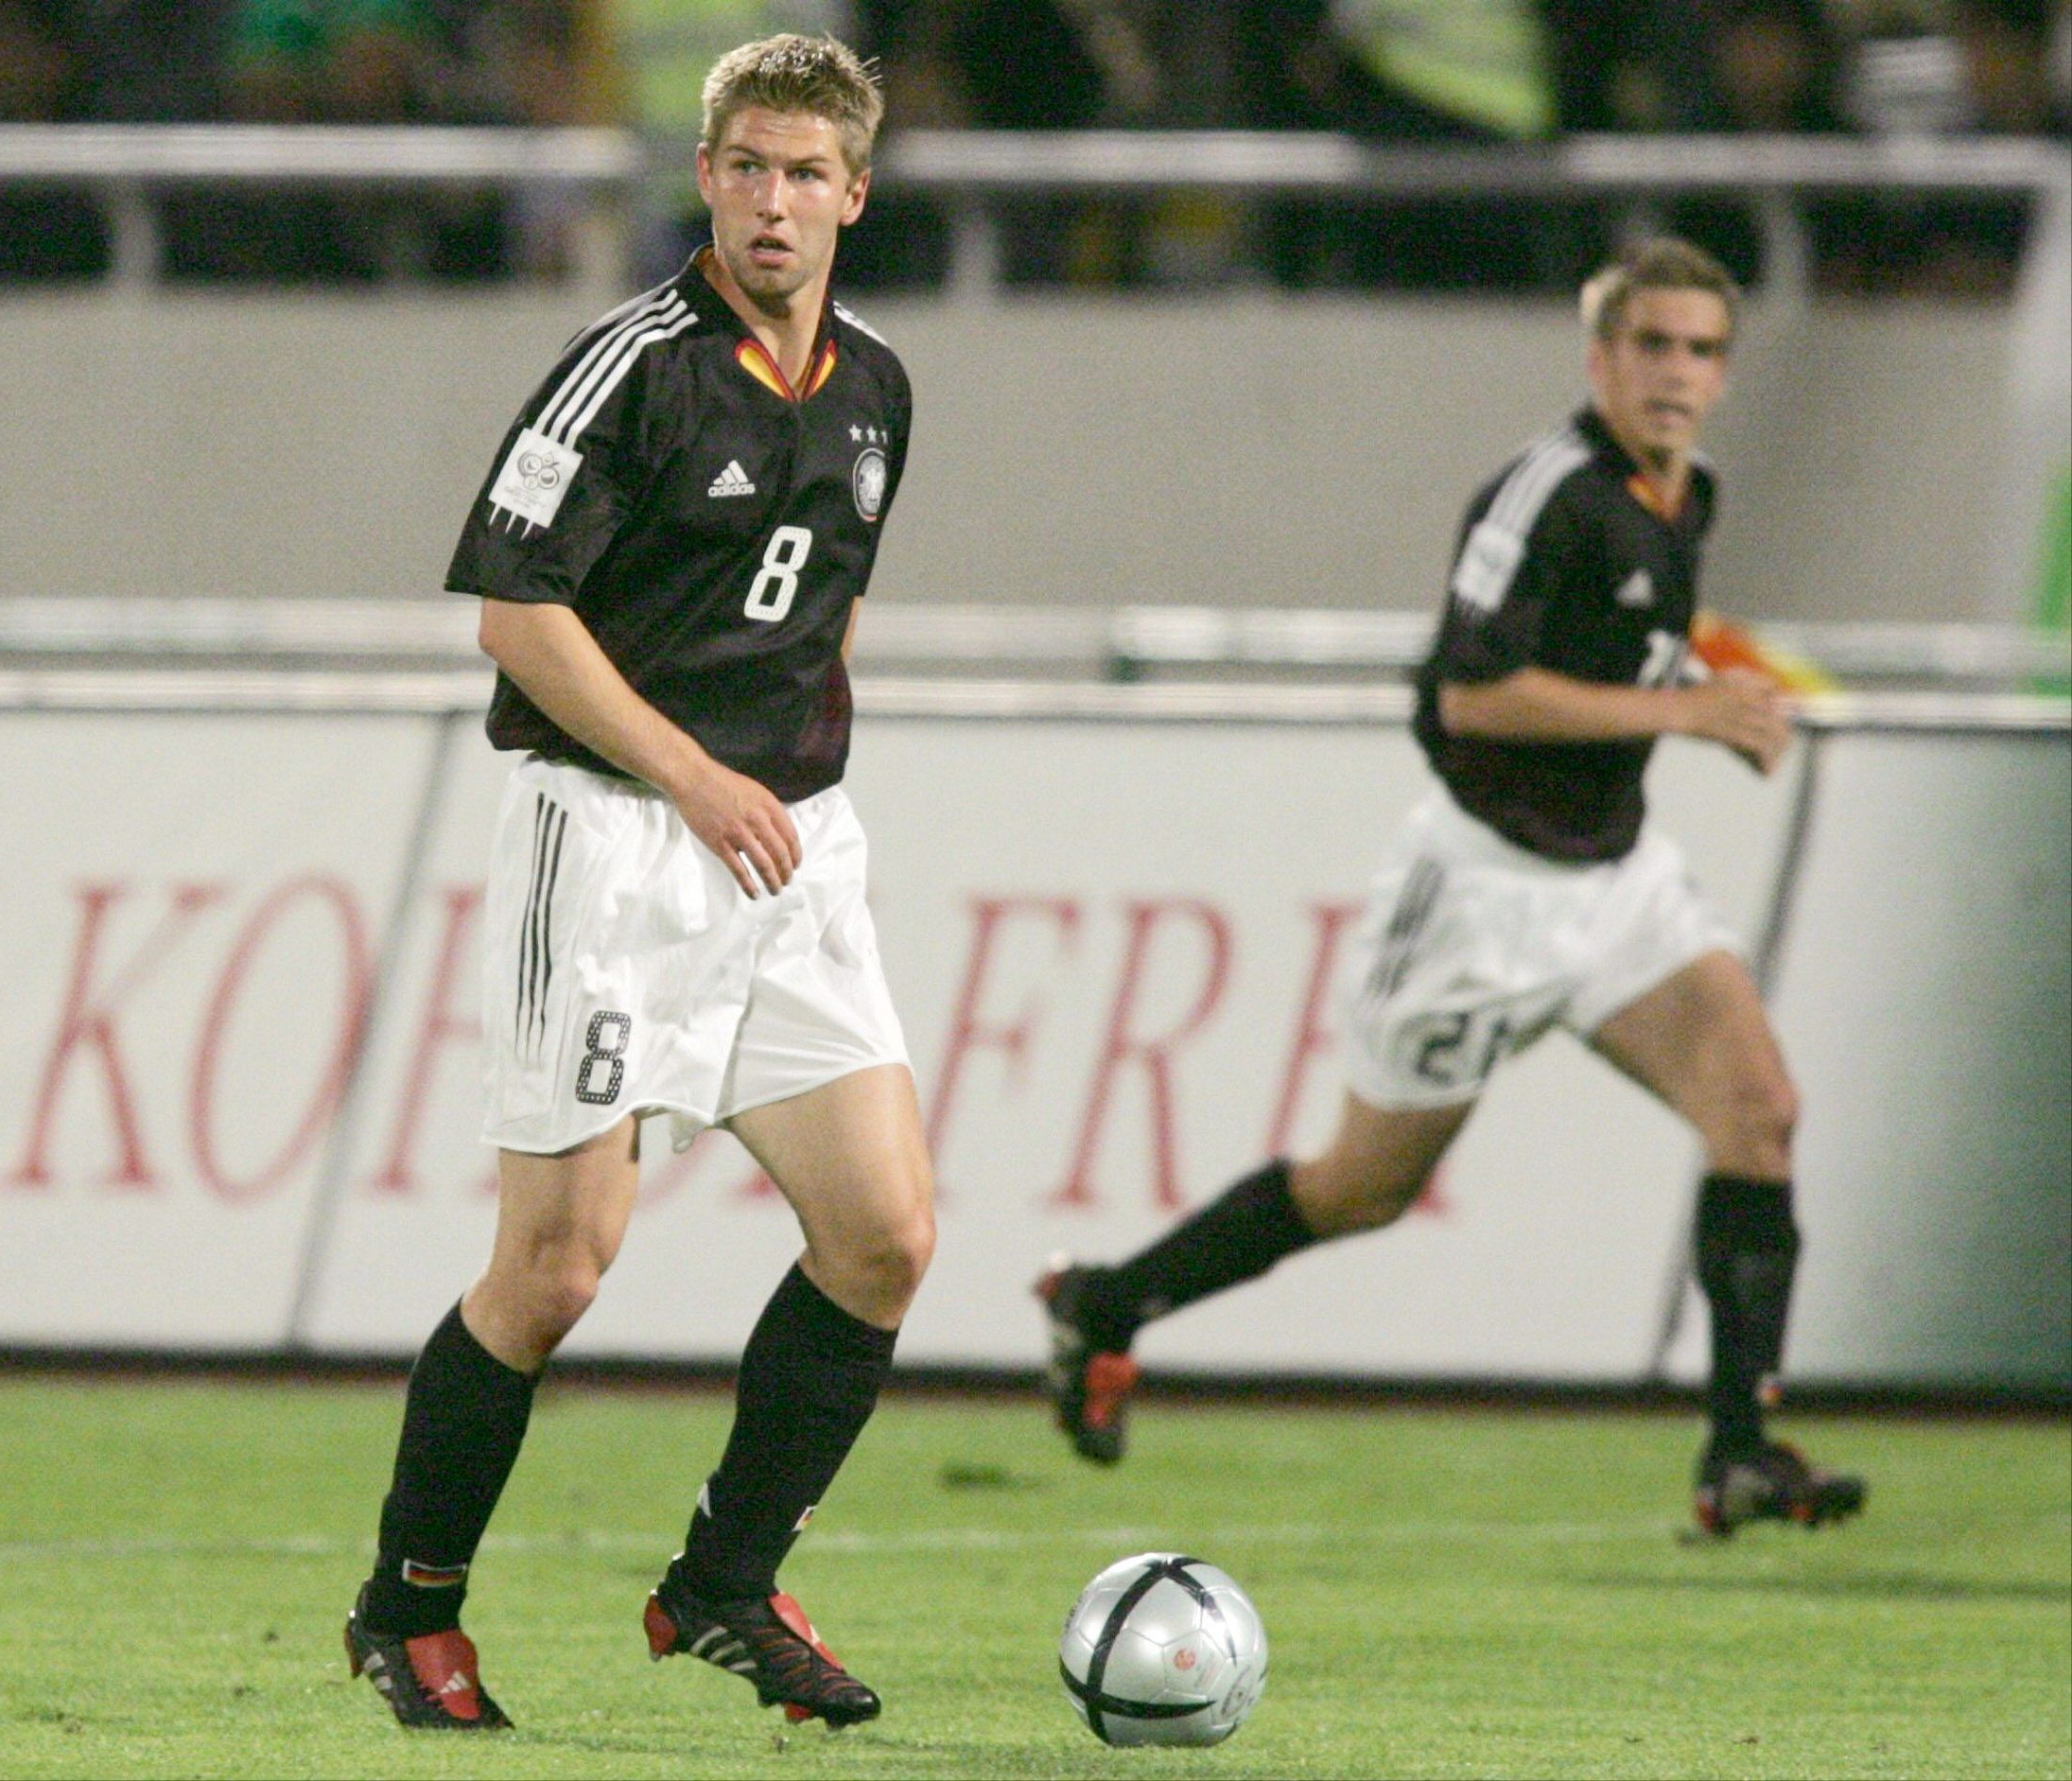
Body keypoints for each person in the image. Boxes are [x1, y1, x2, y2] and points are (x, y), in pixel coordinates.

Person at [1037, 236, 1867, 1541]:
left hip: (1616, 883)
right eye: (1651, 345)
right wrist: (1688, 711)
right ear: (1599, 357)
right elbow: (1472, 693)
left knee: (1758, 1112)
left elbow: (1624, 643)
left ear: (1723, 372)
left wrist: (1718, 695)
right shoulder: (1541, 494)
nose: (1676, 373)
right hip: (1479, 893)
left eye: (1702, 350)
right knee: (1360, 1188)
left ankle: (1739, 1455)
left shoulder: (1686, 495)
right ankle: (1107, 1302)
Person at [344, 33, 932, 1731]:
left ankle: (723, 1584)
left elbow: (823, 598)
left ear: (854, 195)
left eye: (805, 174)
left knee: (884, 1237)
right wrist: (692, 771)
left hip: (788, 850)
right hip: (611, 838)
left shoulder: (879, 387)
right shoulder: (631, 367)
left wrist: (785, 775)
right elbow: (514, 611)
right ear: (705, 178)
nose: (773, 202)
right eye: (746, 167)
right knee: (555, 1268)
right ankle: (408, 1608)